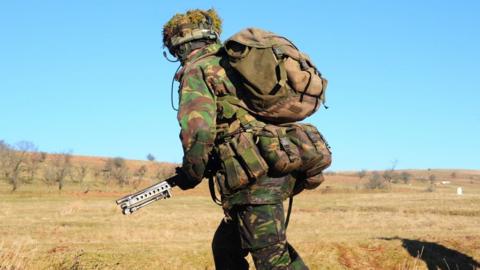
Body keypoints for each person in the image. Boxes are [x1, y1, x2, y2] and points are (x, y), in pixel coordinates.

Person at [163, 9, 311, 269]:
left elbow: (198, 131)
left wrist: (191, 173)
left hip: (254, 177)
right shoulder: (232, 63)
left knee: (272, 258)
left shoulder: (197, 70)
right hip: (273, 163)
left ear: (180, 46)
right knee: (227, 247)